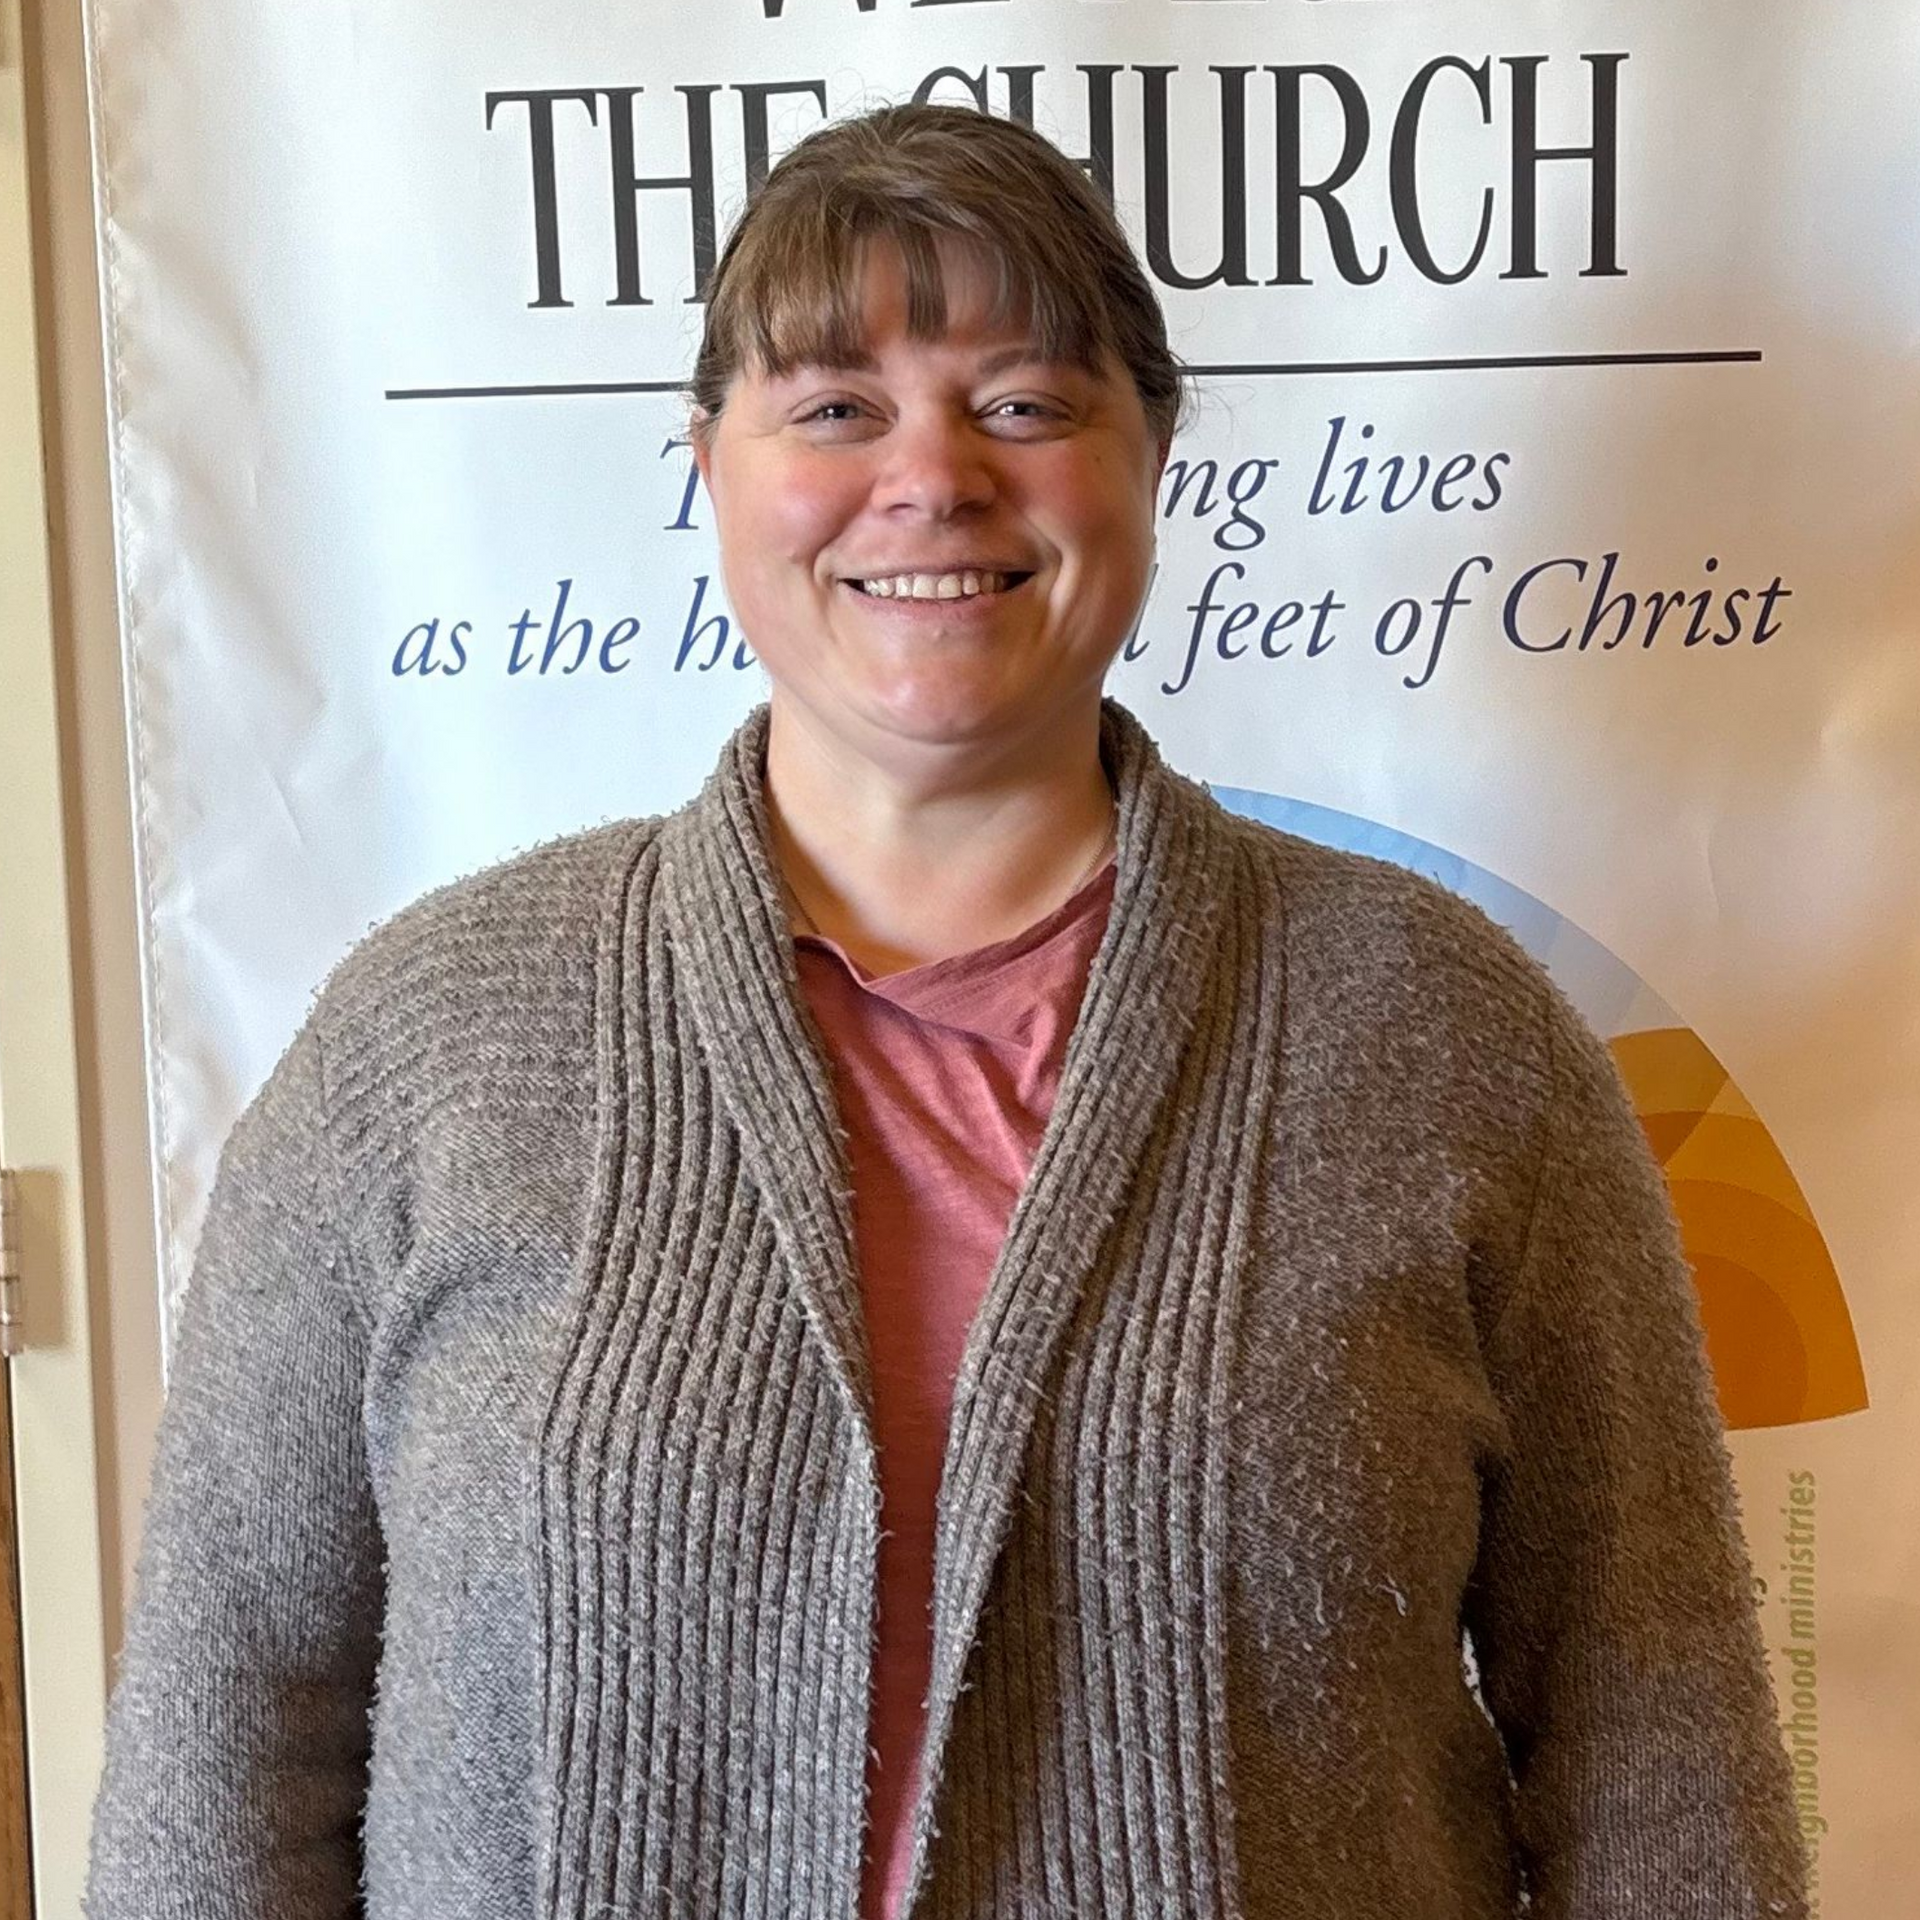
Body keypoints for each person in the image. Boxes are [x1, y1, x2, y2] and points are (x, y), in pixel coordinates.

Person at [87, 101, 1808, 1920]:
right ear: (711, 469)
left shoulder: (1450, 1035)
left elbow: (1653, 1715)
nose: (931, 476)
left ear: (1150, 456)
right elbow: (228, 1727)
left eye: (1023, 403)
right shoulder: (424, 1039)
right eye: (834, 408)